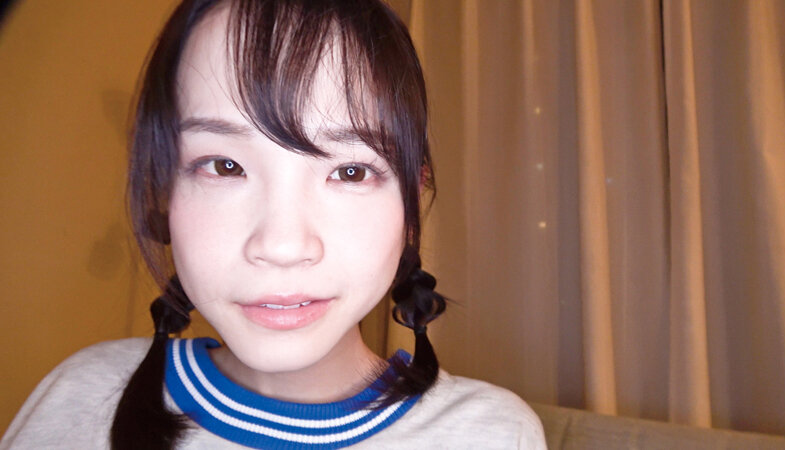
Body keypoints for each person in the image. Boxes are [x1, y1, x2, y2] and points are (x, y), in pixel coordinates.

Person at [1, 0, 546, 448]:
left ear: (412, 199)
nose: (282, 246)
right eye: (224, 166)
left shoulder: (492, 435)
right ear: (164, 188)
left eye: (350, 171)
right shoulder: (82, 396)